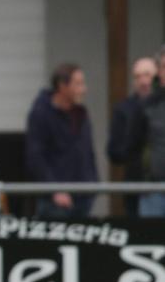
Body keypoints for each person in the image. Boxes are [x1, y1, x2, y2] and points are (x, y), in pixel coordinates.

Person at [25, 63, 98, 218]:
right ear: (62, 86)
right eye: (77, 84)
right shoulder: (41, 114)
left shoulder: (80, 113)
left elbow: (87, 151)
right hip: (55, 201)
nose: (83, 89)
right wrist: (54, 190)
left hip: (83, 195)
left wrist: (93, 182)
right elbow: (35, 156)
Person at [107, 57, 157, 216]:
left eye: (147, 75)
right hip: (136, 184)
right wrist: (135, 148)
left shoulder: (161, 107)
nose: (143, 81)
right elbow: (115, 151)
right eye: (137, 76)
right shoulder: (124, 109)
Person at [127, 46, 165, 217]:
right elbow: (132, 146)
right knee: (152, 239)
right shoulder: (147, 105)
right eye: (163, 67)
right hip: (153, 189)